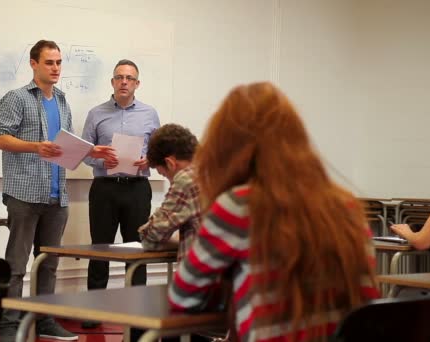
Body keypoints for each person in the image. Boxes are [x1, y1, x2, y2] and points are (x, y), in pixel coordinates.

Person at [168, 82, 380, 342]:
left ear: (227, 148)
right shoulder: (348, 207)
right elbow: (368, 302)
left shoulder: (238, 206)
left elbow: (182, 297)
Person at [0, 39, 115, 341]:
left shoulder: (61, 100)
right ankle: (8, 324)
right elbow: (0, 139)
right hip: (24, 193)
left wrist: (93, 152)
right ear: (34, 64)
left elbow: (67, 147)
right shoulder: (17, 97)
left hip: (56, 194)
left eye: (59, 62)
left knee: (48, 263)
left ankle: (45, 320)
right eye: (50, 62)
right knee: (17, 265)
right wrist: (36, 147)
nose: (56, 68)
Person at [80, 59, 160, 328]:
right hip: (104, 189)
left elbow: (159, 152)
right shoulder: (96, 114)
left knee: (136, 250)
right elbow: (84, 152)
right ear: (112, 82)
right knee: (100, 249)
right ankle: (94, 312)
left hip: (137, 189)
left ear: (137, 84)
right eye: (119, 77)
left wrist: (149, 160)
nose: (124, 81)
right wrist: (103, 161)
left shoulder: (150, 114)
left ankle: (136, 312)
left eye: (129, 78)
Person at [138, 123, 201, 260]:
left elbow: (150, 238)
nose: (170, 181)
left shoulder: (186, 179)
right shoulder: (217, 171)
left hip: (201, 273)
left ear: (170, 163)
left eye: (164, 175)